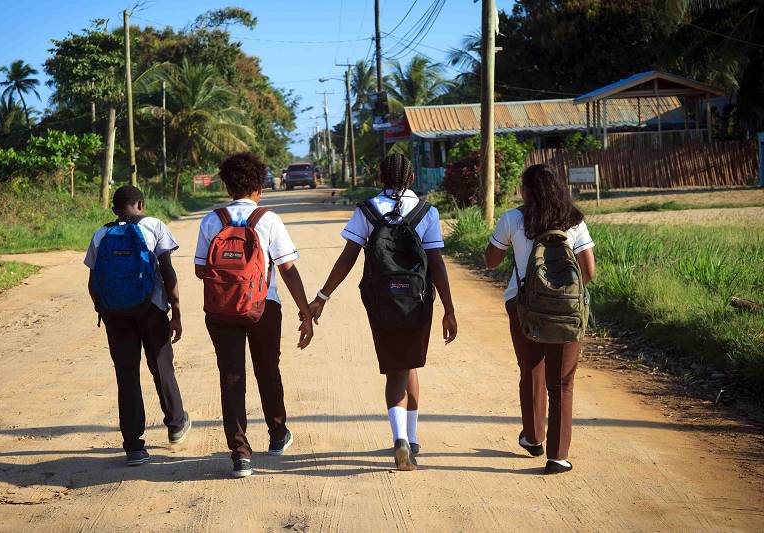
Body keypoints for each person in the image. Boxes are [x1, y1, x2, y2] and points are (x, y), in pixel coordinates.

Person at [308, 154, 457, 471]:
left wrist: (322, 296)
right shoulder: (426, 212)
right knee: (409, 362)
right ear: (412, 177)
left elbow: (348, 257)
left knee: (398, 367)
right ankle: (407, 438)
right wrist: (449, 309)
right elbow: (437, 264)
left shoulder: (367, 210)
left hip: (381, 300)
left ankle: (406, 438)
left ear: (380, 177)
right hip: (417, 299)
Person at [194, 152, 314, 479]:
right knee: (267, 368)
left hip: (221, 311)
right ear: (259, 187)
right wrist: (305, 311)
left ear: (227, 184)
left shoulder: (211, 220)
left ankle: (241, 454)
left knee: (231, 377)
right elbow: (287, 269)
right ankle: (277, 435)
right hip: (264, 307)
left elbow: (200, 270)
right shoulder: (268, 220)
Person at [485, 164, 596, 475]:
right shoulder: (575, 220)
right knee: (561, 383)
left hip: (523, 307)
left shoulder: (513, 219)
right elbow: (588, 272)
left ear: (526, 191)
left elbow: (491, 262)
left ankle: (533, 438)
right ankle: (558, 457)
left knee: (530, 370)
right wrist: (562, 296)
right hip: (567, 313)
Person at [85, 185, 190, 466]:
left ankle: (133, 446)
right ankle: (176, 423)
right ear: (141, 204)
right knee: (161, 365)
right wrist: (176, 310)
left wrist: (105, 309)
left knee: (127, 376)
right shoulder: (154, 226)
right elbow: (167, 272)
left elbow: (93, 282)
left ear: (114, 209)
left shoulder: (101, 234)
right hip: (151, 308)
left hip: (115, 313)